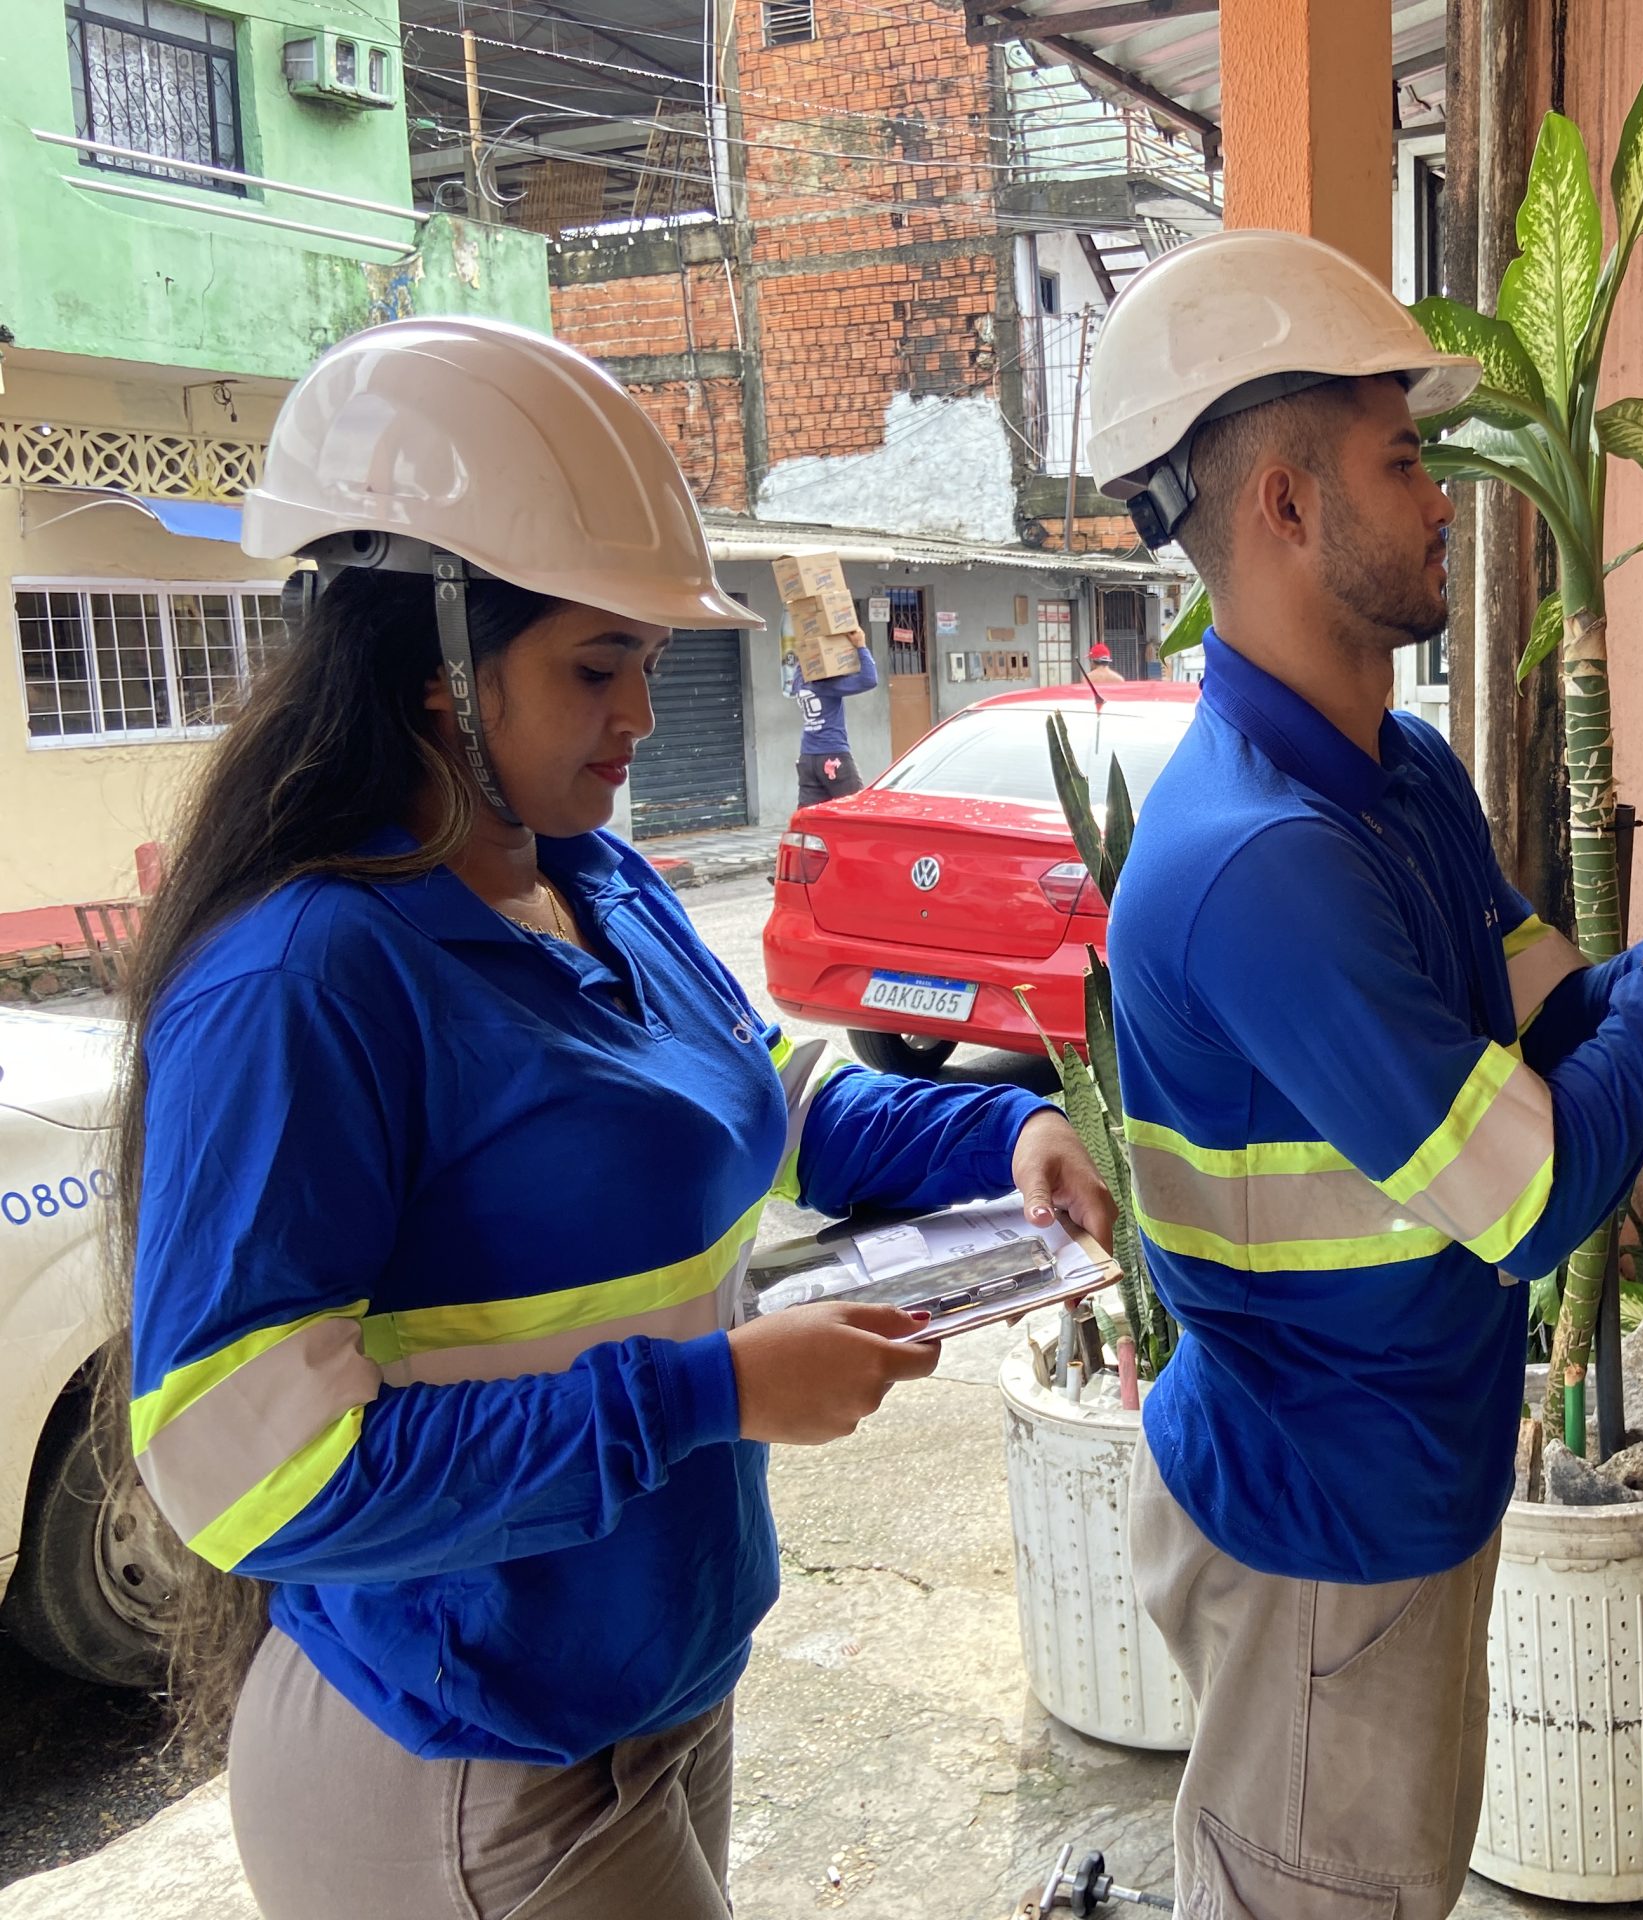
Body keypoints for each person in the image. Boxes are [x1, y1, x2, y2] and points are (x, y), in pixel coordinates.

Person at [113, 316, 1113, 1920]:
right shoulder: (307, 979)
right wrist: (704, 1396)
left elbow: (765, 1110)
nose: (643, 716)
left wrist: (1001, 1143)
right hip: (466, 1751)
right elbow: (245, 1475)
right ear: (437, 658)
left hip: (651, 1685)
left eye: (650, 662)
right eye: (598, 665)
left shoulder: (595, 880)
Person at [1086, 231, 1643, 1919]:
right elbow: (1530, 1199)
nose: (1445, 495)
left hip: (1397, 1495)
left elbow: (1563, 1033)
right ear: (1287, 506)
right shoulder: (1259, 863)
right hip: (1317, 1539)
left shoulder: (1400, 774)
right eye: (1403, 457)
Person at [788, 638, 878, 804]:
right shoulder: (828, 686)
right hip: (833, 756)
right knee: (855, 808)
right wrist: (860, 645)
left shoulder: (799, 682)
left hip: (807, 758)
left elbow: (805, 662)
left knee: (810, 818)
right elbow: (869, 680)